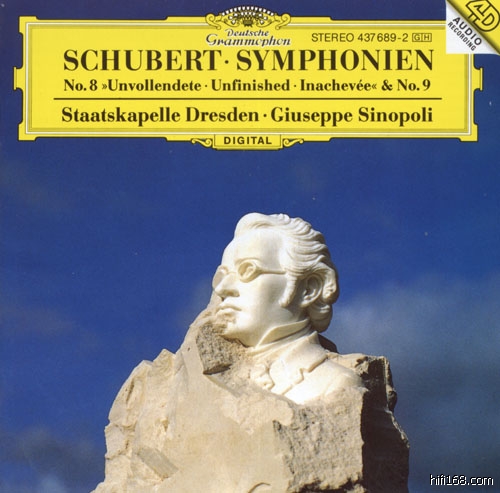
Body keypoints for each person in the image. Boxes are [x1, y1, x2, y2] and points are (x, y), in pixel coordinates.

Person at [211, 212, 362, 404]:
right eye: (222, 276)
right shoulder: (211, 384)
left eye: (248, 270)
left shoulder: (334, 385)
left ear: (309, 289)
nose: (222, 289)